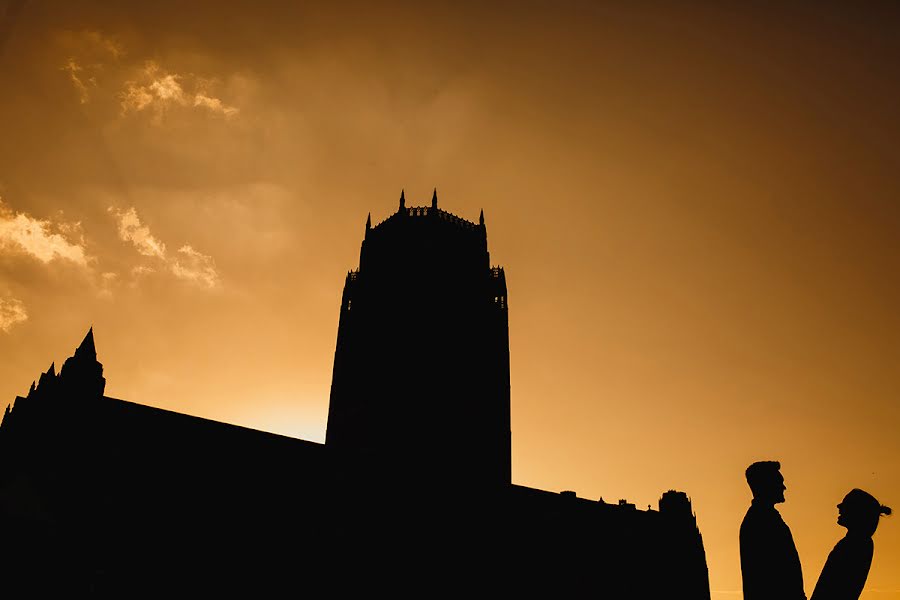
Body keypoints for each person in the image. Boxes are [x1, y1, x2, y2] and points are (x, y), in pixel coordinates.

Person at [740, 460, 807, 600]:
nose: (784, 487)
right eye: (779, 482)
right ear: (766, 485)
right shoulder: (760, 521)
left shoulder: (766, 518)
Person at [811, 489, 892, 600]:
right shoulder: (857, 543)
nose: (839, 506)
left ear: (856, 512)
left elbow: (834, 587)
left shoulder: (855, 545)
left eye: (846, 504)